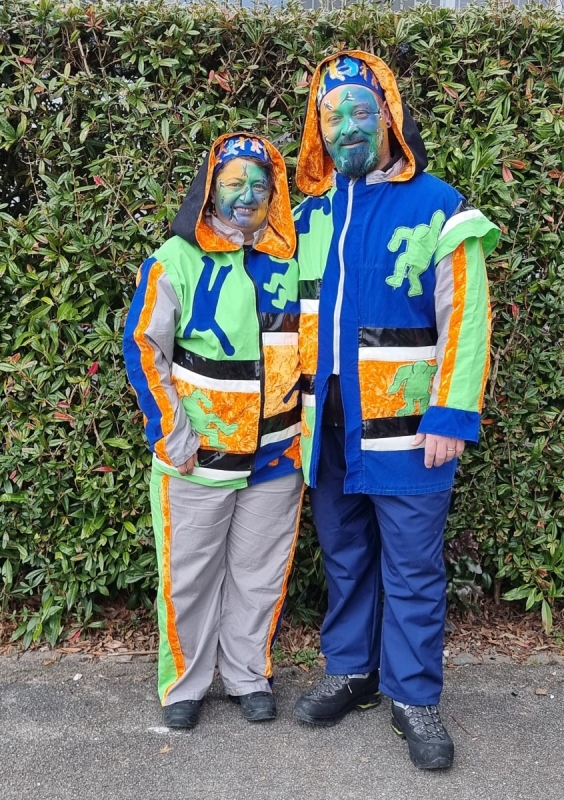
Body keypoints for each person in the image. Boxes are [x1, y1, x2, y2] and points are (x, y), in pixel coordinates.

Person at [292, 52, 499, 769]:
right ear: (319, 131)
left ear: (388, 115)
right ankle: (353, 672)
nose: (347, 126)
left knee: (412, 568)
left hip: (410, 430)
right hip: (327, 429)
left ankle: (414, 696)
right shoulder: (308, 216)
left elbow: (466, 316)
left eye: (360, 110)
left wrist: (450, 414)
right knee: (345, 557)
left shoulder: (439, 204)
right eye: (332, 115)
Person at [123, 133, 302, 729]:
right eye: (232, 182)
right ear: (209, 189)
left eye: (258, 183)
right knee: (188, 576)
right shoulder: (174, 259)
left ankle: (248, 674)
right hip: (197, 456)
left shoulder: (292, 258)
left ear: (274, 192)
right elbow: (144, 347)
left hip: (277, 457)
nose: (246, 194)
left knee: (260, 574)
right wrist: (172, 434)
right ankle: (185, 683)